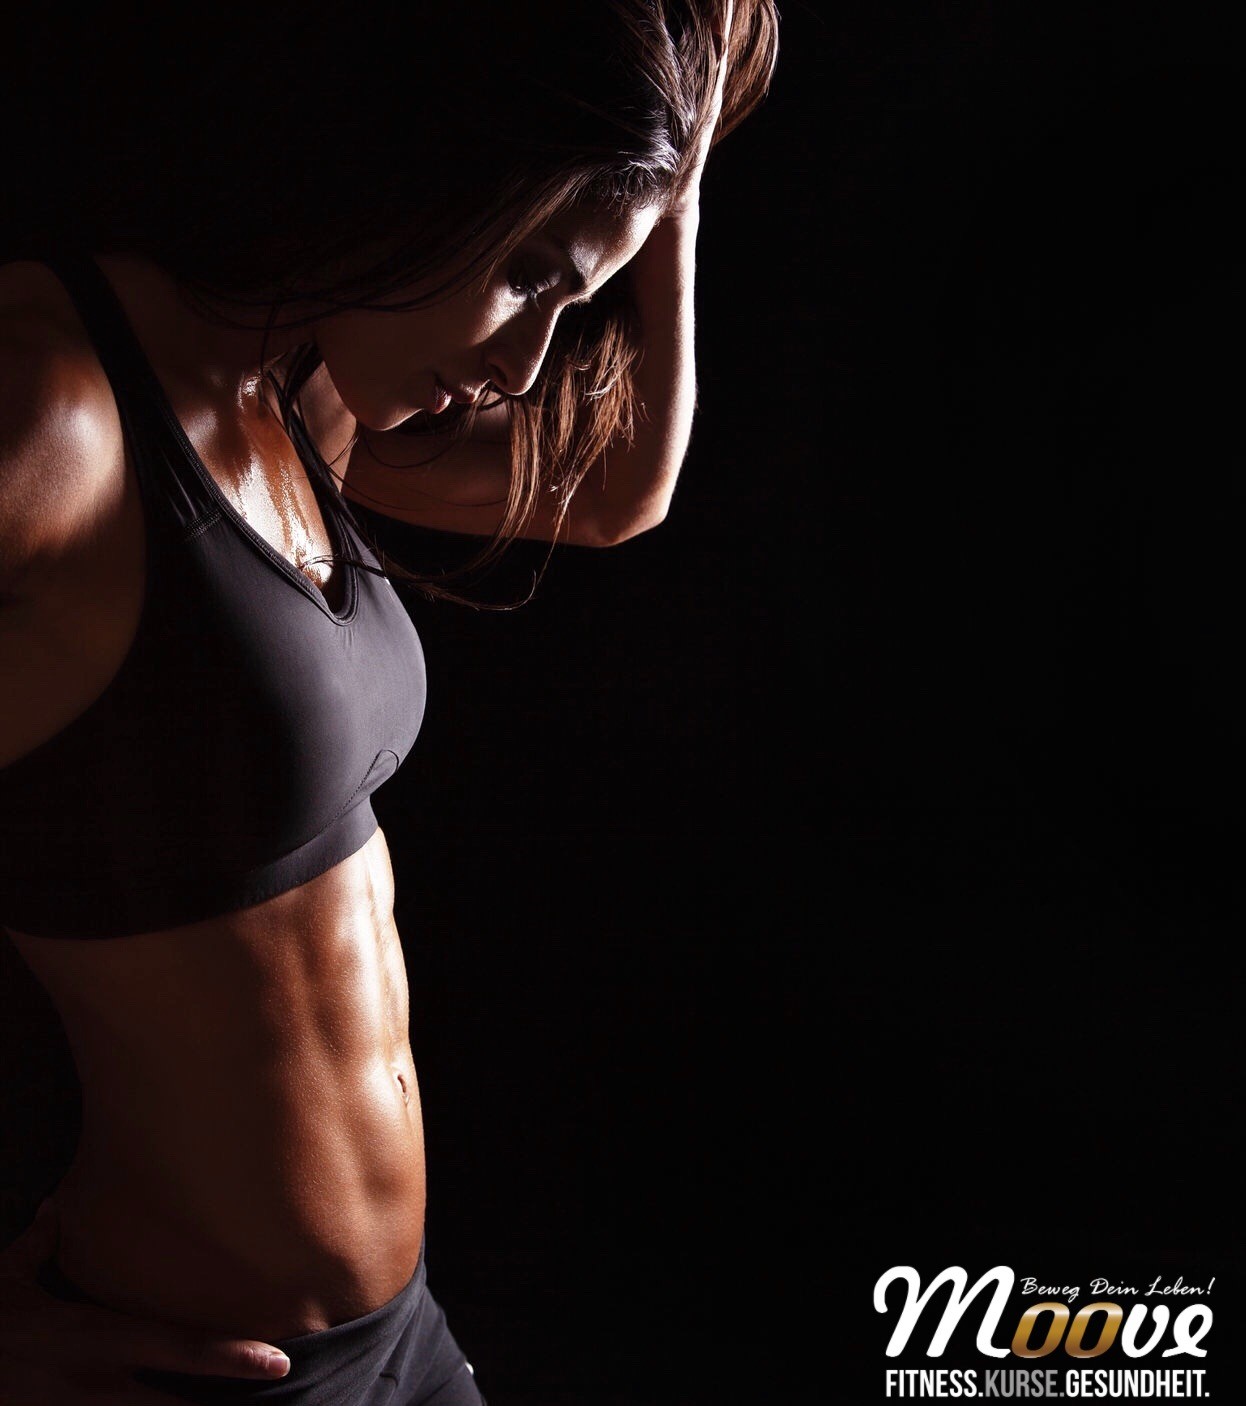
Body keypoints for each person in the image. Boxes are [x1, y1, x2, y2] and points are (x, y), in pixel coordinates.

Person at [0, 2, 778, 1403]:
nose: (526, 368)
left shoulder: (303, 404)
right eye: (527, 276)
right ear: (430, 167)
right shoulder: (54, 412)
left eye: (571, 303)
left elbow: (617, 489)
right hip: (191, 1366)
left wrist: (674, 190)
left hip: (399, 1342)